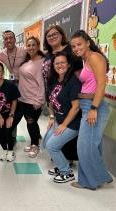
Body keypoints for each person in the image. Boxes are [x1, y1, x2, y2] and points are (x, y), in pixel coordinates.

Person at [70, 30, 113, 190]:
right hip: (87, 104)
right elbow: (90, 83)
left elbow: (102, 84)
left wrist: (94, 108)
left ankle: (93, 180)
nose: (76, 48)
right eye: (73, 46)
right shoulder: (85, 60)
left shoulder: (95, 57)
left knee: (84, 146)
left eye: (79, 44)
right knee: (91, 144)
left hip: (95, 106)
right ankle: (91, 179)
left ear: (88, 42)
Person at [42, 25, 83, 162]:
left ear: (61, 35)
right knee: (47, 142)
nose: (52, 37)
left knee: (66, 130)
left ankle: (67, 160)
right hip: (54, 92)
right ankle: (59, 155)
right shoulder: (48, 54)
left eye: (55, 34)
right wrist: (52, 115)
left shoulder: (70, 51)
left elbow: (78, 74)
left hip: (68, 94)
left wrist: (73, 89)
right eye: (49, 36)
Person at [43, 51, 82, 183]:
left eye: (63, 62)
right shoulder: (53, 80)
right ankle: (61, 166)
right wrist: (52, 117)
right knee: (46, 142)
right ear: (53, 65)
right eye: (57, 63)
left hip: (71, 123)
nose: (60, 65)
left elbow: (76, 107)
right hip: (59, 120)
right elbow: (51, 101)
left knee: (52, 146)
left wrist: (64, 125)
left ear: (69, 64)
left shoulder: (73, 82)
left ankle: (66, 172)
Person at [18, 36, 45, 158]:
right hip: (23, 98)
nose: (31, 47)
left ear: (38, 46)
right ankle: (33, 142)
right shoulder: (27, 61)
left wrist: (39, 100)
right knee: (30, 122)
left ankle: (35, 145)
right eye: (28, 45)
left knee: (31, 122)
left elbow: (41, 83)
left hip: (33, 99)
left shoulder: (41, 62)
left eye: (33, 45)